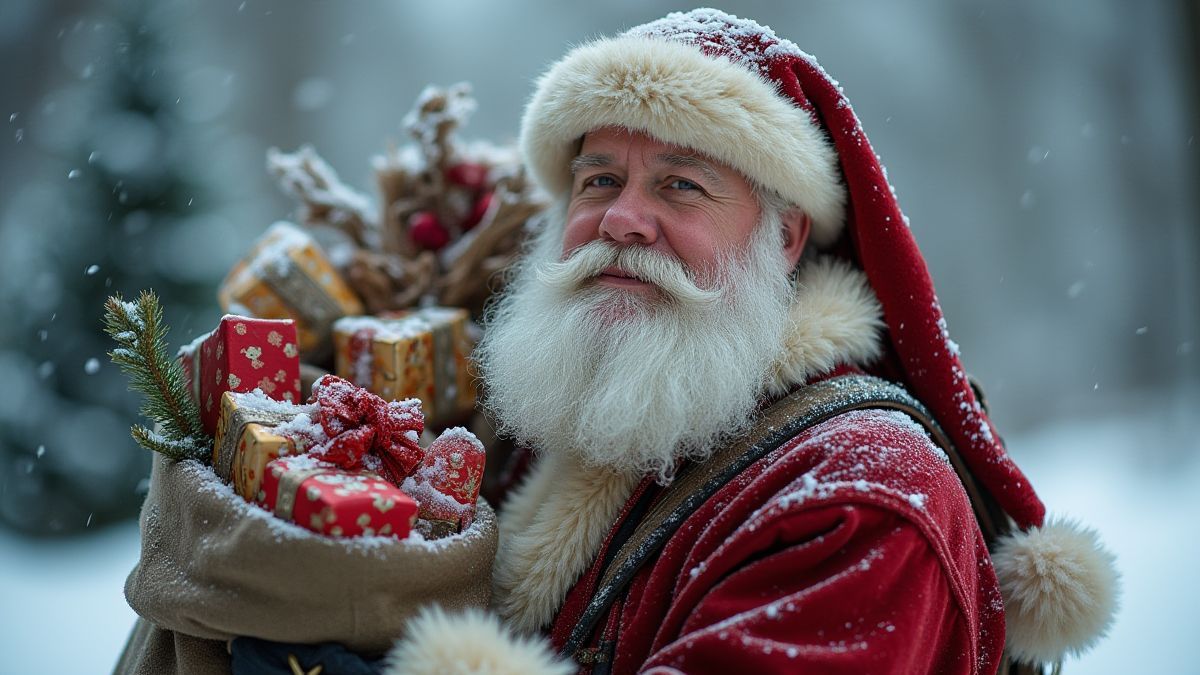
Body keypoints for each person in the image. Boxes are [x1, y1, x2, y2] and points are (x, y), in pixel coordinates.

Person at [116, 9, 1118, 675]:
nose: (623, 220)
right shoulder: (561, 416)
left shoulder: (863, 502)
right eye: (599, 180)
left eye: (681, 184)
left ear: (785, 234)